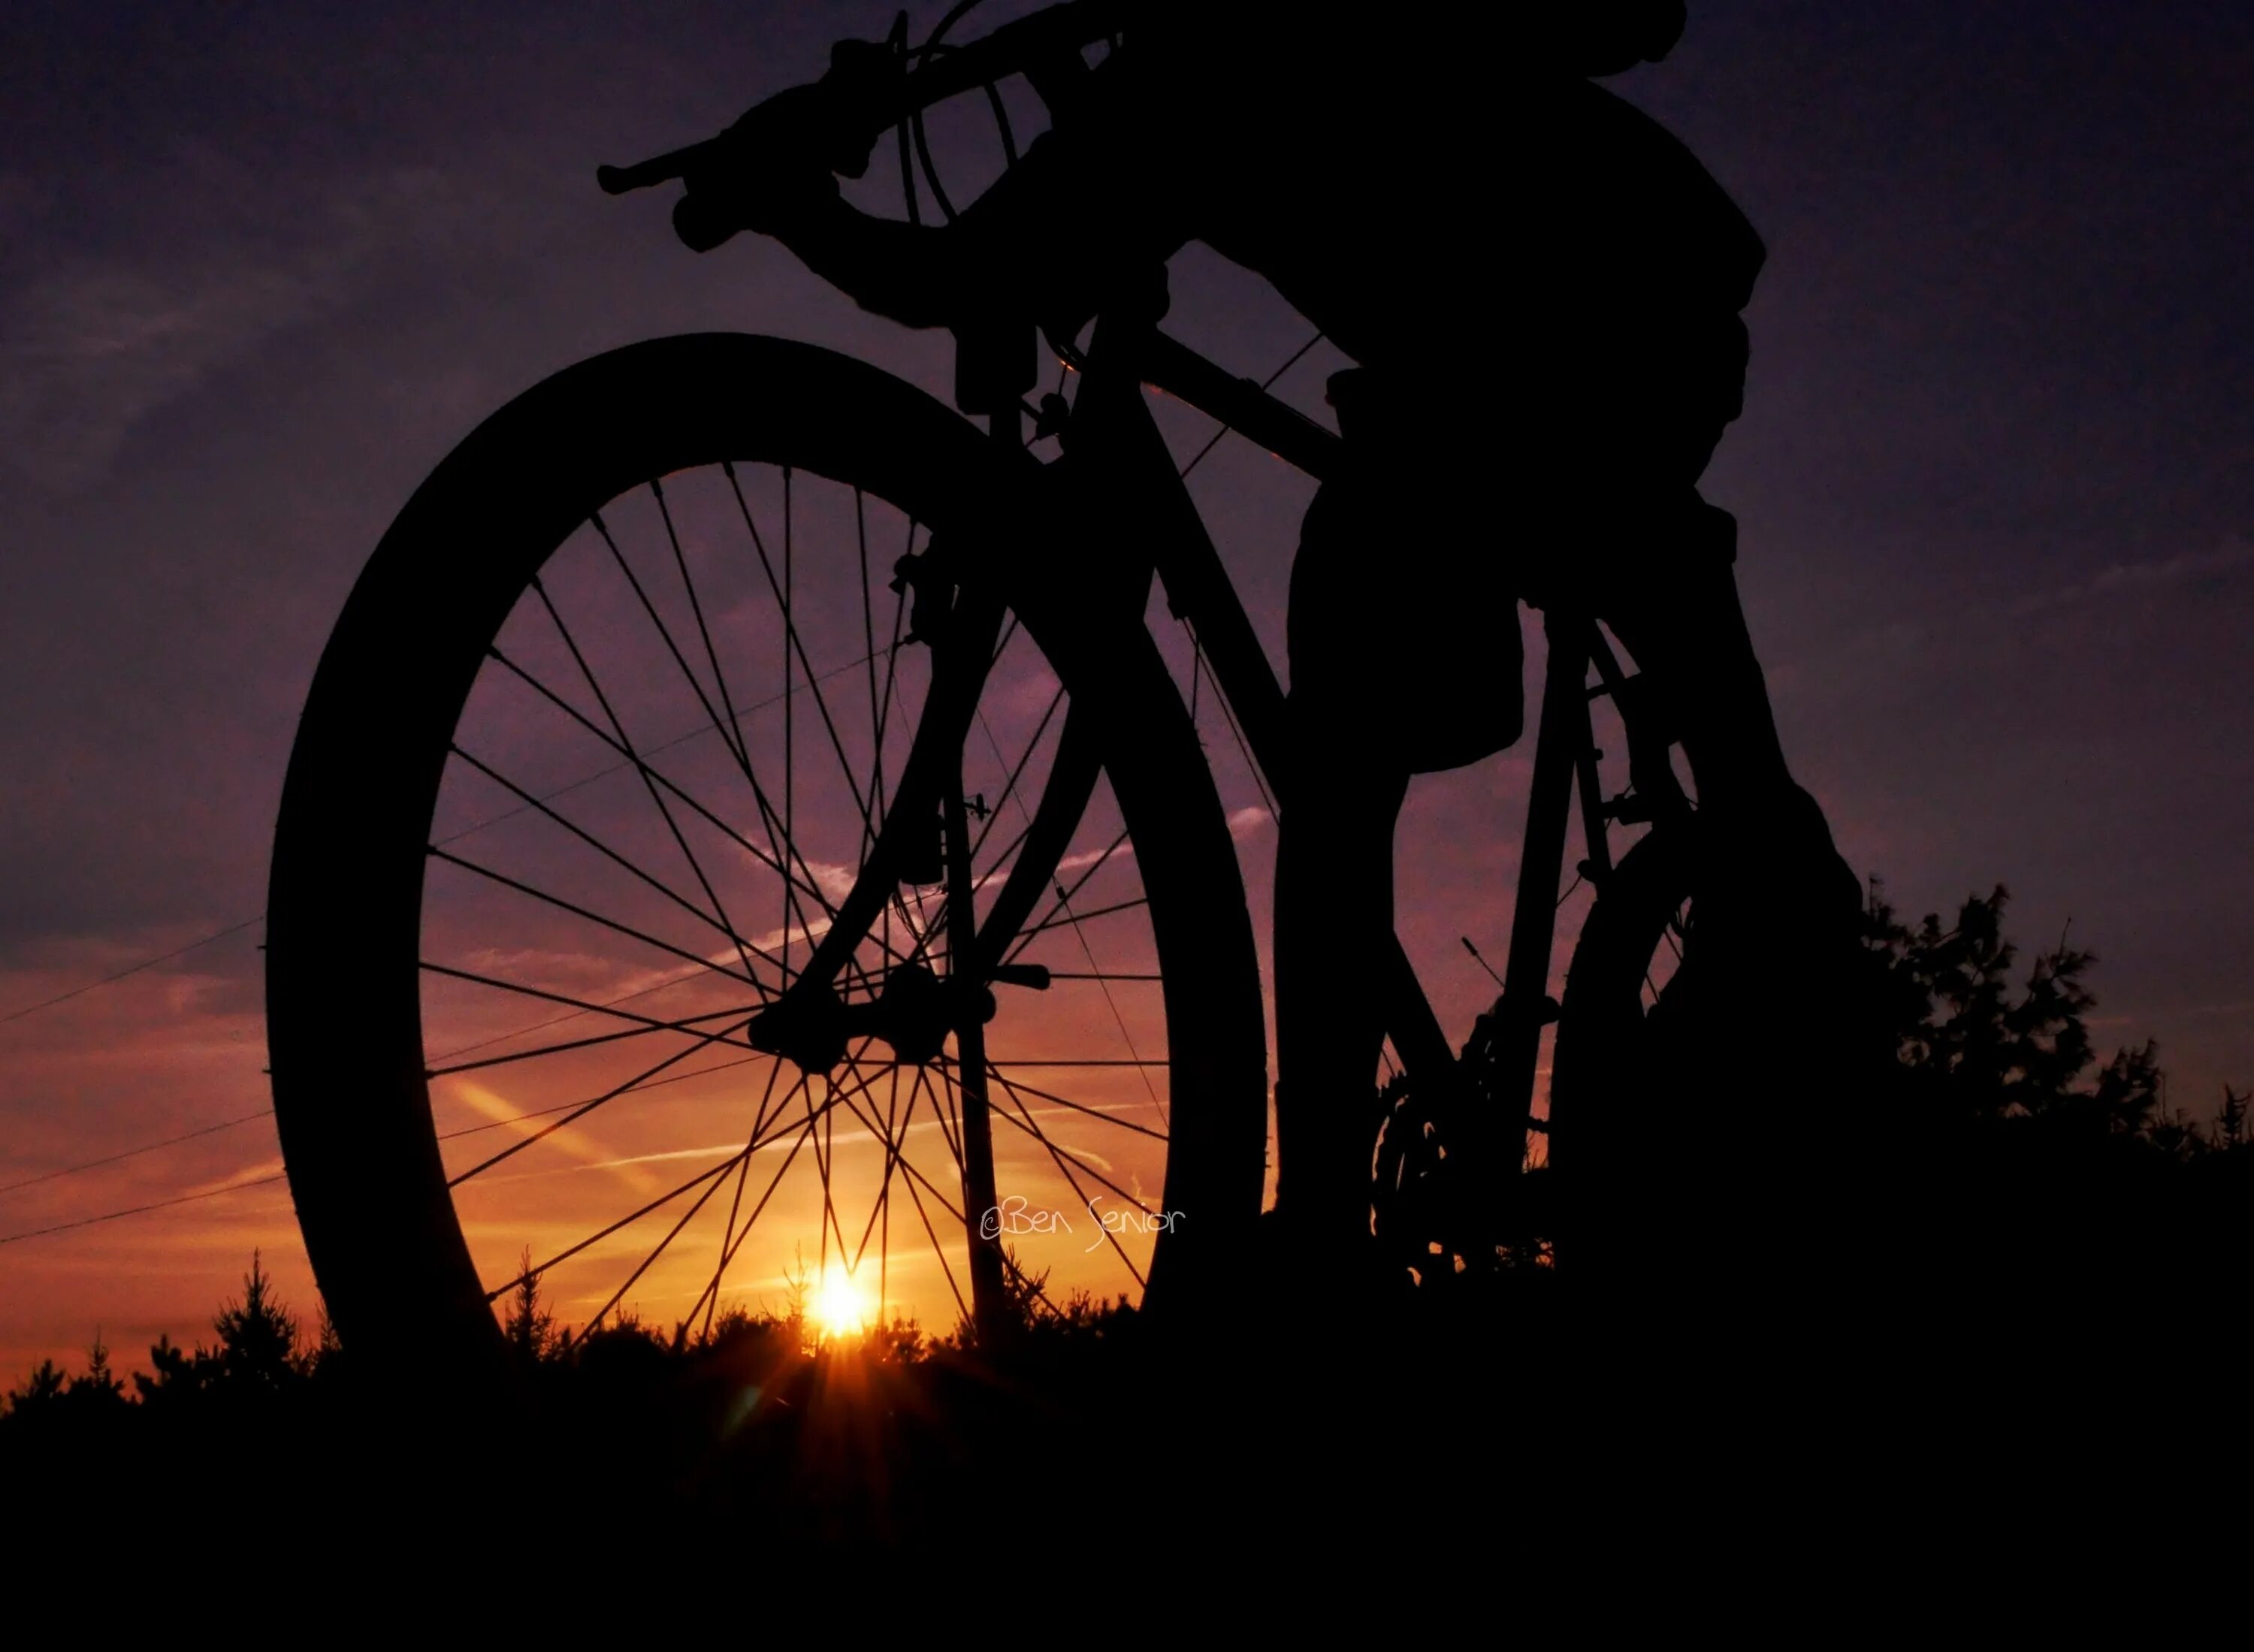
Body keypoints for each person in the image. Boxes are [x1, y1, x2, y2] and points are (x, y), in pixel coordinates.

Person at [689, 0, 1861, 1285]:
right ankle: (1320, 1223)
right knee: (1350, 698)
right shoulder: (1169, 80)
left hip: (1625, 294)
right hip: (1449, 371)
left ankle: (1769, 870)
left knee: (1524, 530)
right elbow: (984, 275)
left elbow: (1636, 15)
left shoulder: (1232, 51)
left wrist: (794, 199)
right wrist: (806, 184)